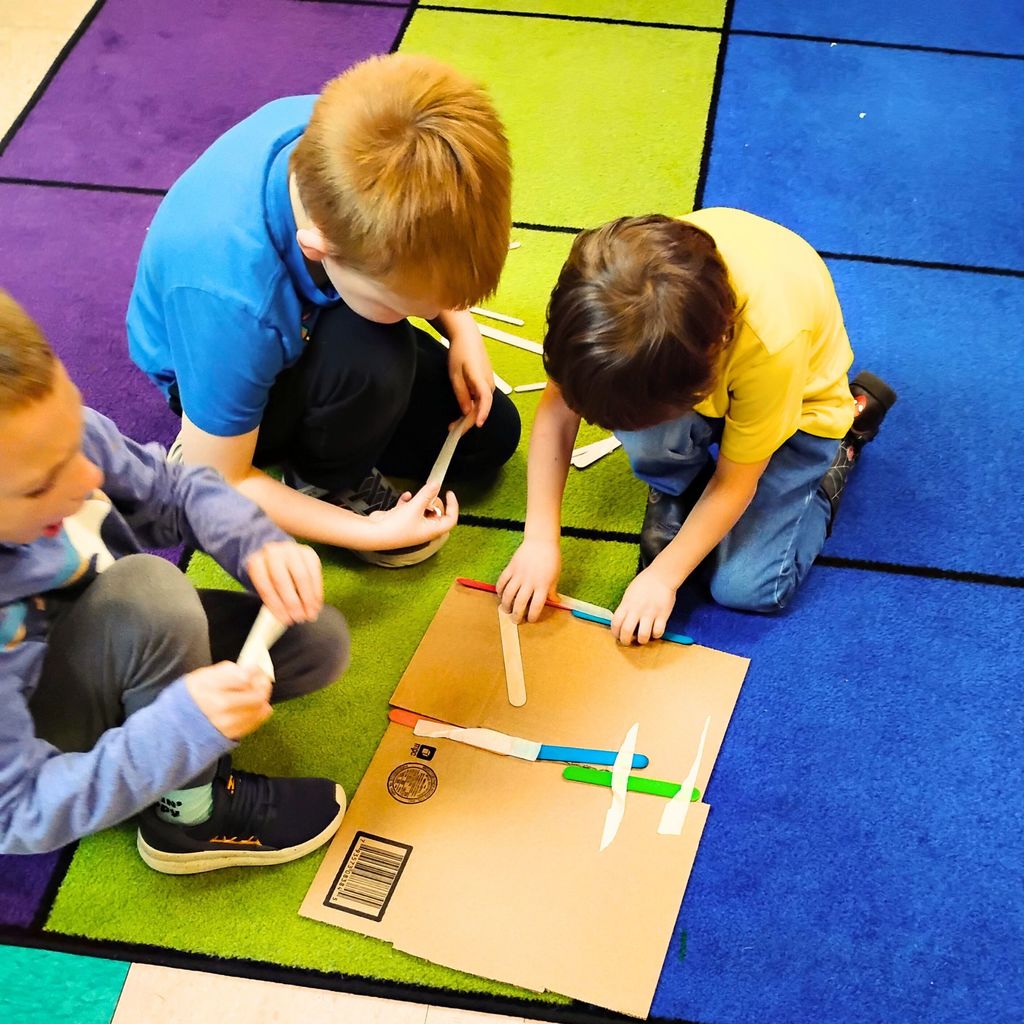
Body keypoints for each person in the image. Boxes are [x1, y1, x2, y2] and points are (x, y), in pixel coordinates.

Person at [0, 290, 349, 873]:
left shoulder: (45, 437)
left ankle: (156, 734)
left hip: (106, 634)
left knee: (315, 640)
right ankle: (188, 816)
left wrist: (254, 540)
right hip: (42, 734)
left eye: (74, 436)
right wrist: (172, 735)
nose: (87, 476)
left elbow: (174, 488)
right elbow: (15, 813)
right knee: (152, 591)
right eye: (42, 485)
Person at [127, 53, 520, 568]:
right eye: (409, 305)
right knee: (377, 356)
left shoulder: (356, 140)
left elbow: (420, 253)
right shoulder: (231, 300)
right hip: (216, 364)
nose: (444, 311)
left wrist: (461, 330)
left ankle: (319, 435)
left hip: (305, 315)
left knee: (487, 441)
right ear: (319, 249)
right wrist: (363, 532)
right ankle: (302, 475)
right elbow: (221, 481)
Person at [497, 208, 897, 642]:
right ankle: (680, 481)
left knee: (747, 587)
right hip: (699, 368)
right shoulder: (596, 303)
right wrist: (539, 539)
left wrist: (663, 579)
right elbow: (558, 409)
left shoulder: (771, 345)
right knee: (638, 423)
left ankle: (845, 443)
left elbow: (734, 482)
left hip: (802, 408)